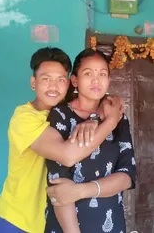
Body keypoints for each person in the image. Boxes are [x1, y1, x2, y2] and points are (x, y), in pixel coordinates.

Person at [0, 47, 123, 233]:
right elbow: (67, 155)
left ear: (69, 83)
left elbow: (107, 99)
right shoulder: (25, 117)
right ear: (33, 83)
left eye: (60, 80)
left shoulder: (67, 114)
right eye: (46, 79)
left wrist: (97, 115)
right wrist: (111, 121)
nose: (53, 86)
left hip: (52, 222)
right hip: (19, 220)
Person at [45, 48, 136, 233]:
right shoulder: (60, 115)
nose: (96, 80)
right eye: (88, 73)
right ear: (75, 80)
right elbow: (58, 187)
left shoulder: (118, 118)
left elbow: (127, 175)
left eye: (102, 74)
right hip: (68, 227)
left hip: (111, 223)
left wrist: (82, 190)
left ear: (109, 81)